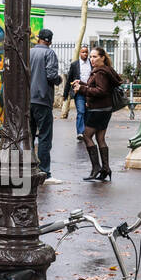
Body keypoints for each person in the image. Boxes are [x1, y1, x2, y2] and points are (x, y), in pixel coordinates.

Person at [73, 46, 123, 182]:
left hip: (98, 110)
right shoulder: (105, 71)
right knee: (100, 139)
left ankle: (96, 168)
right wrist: (82, 83)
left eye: (95, 57)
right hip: (105, 109)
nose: (92, 59)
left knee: (86, 135)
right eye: (91, 57)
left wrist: (82, 89)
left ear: (102, 58)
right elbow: (97, 86)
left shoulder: (100, 72)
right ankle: (106, 169)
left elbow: (101, 91)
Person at [29, 28, 62, 184]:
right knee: (44, 137)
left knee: (27, 136)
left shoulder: (28, 53)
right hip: (42, 99)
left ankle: (27, 169)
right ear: (50, 41)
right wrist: (59, 80)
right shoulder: (49, 53)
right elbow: (51, 75)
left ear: (38, 39)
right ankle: (44, 173)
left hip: (27, 100)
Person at [63, 45, 91, 140]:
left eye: (86, 52)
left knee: (87, 112)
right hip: (78, 92)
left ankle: (85, 132)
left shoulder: (91, 64)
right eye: (83, 52)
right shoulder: (75, 64)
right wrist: (65, 94)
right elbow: (69, 79)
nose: (85, 54)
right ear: (79, 53)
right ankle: (80, 132)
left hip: (89, 92)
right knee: (81, 111)